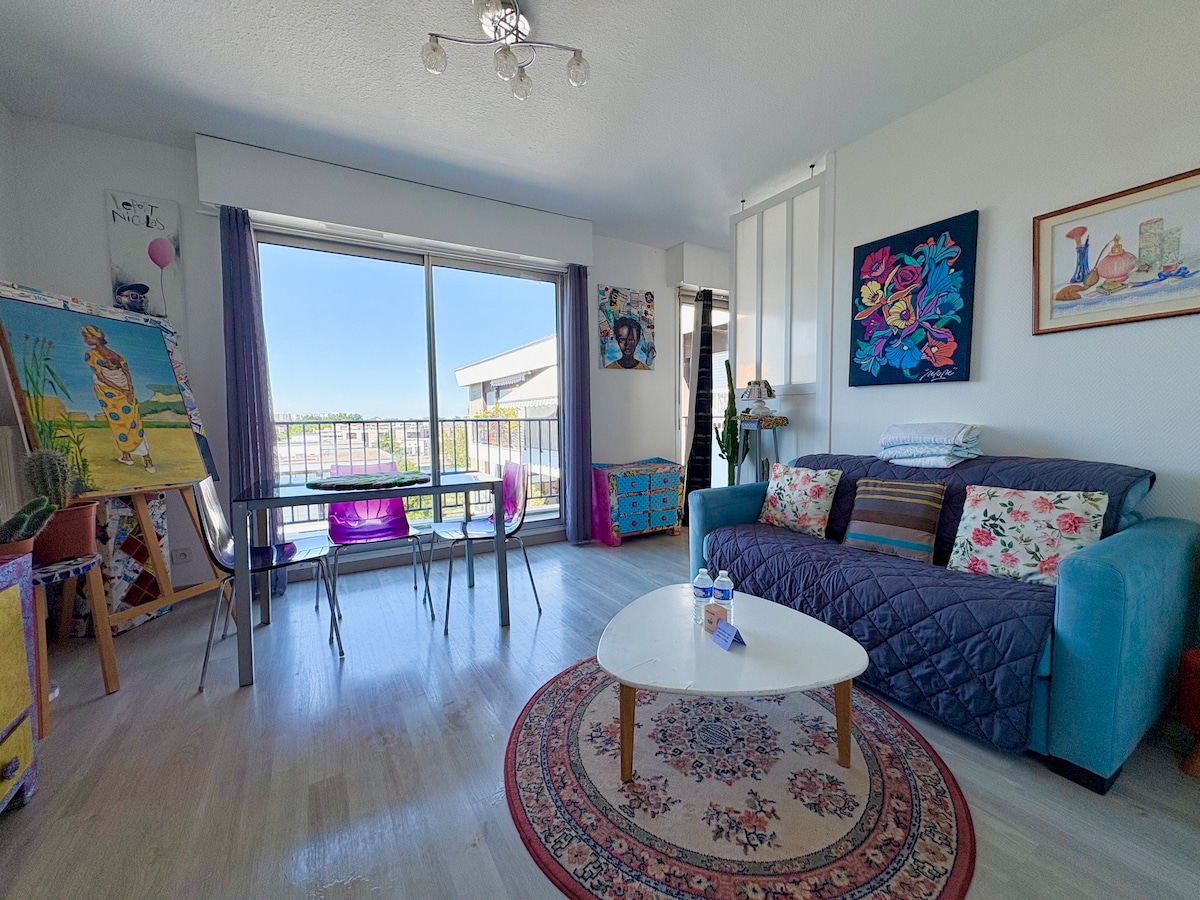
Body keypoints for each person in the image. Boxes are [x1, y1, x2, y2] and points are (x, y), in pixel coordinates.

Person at [81, 324, 155, 472]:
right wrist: (129, 390)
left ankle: (146, 458)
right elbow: (127, 374)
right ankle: (128, 456)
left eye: (87, 336)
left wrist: (124, 391)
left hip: (110, 392)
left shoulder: (91, 354)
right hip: (124, 391)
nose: (85, 339)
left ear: (96, 337)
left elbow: (101, 378)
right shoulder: (117, 355)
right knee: (131, 422)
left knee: (120, 423)